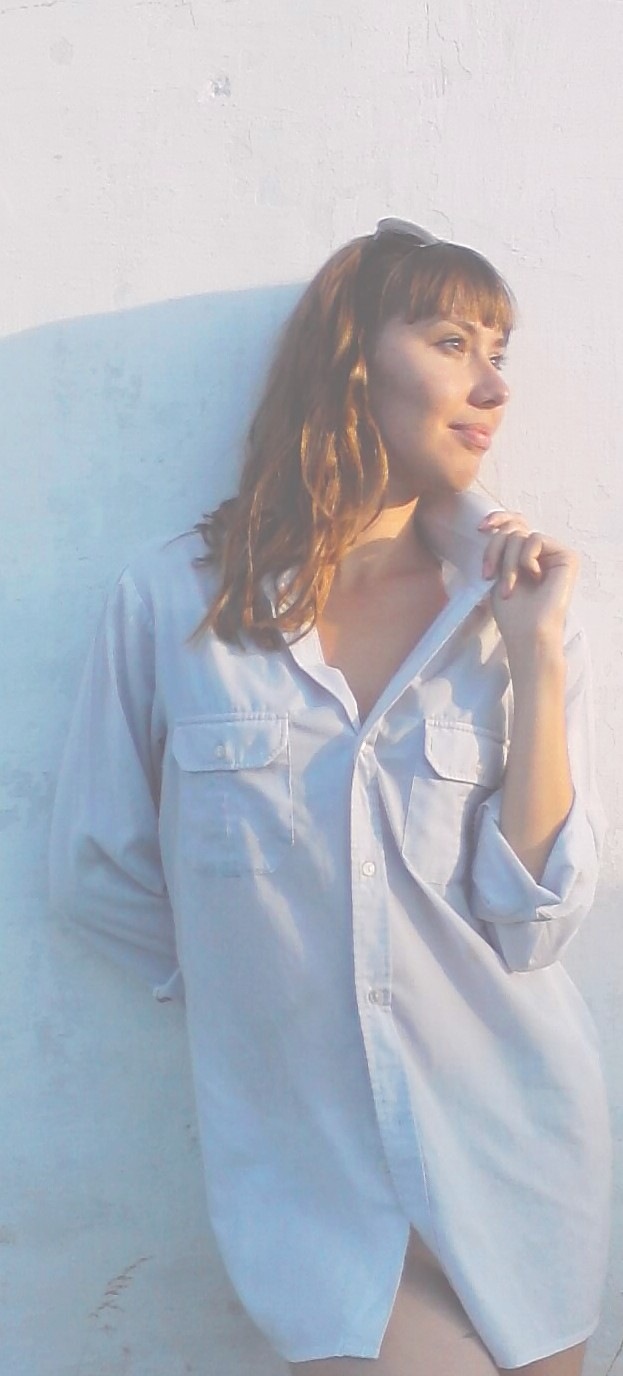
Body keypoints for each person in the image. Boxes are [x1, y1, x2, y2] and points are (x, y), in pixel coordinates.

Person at [48, 218, 612, 1376]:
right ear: (352, 358)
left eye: (497, 350)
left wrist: (535, 653)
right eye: (450, 342)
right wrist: (264, 990)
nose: (492, 385)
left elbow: (533, 917)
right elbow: (99, 866)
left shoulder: (505, 613)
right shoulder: (175, 604)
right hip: (308, 1180)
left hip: (512, 1154)